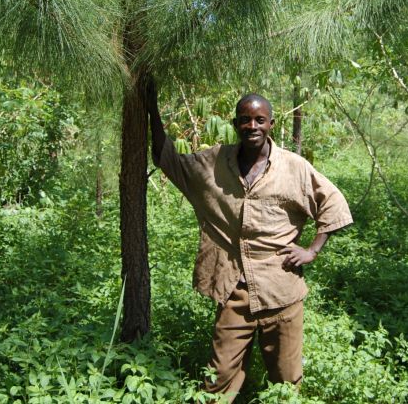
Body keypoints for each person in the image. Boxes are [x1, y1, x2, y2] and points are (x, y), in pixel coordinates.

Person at [148, 88, 352, 402]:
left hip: (280, 291)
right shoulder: (213, 163)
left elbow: (334, 203)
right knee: (218, 381)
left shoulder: (293, 167)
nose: (252, 126)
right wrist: (150, 103)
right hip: (233, 291)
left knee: (286, 384)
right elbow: (168, 159)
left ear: (270, 124)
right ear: (235, 123)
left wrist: (311, 250)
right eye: (245, 120)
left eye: (260, 120)